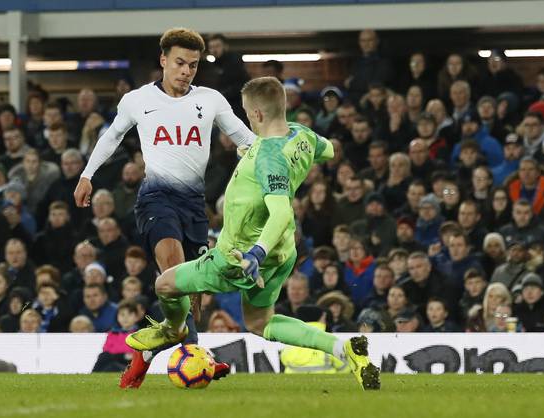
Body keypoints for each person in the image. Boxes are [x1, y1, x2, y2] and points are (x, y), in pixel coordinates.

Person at [124, 76, 380, 390]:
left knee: (165, 285)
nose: (246, 118)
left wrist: (254, 253)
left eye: (247, 113)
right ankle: (345, 349)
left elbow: (282, 209)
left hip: (240, 255)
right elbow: (327, 150)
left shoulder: (269, 159)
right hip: (283, 250)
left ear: (257, 115)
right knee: (261, 322)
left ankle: (174, 329)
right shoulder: (302, 135)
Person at [75, 29, 257, 389]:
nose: (186, 71)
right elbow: (111, 137)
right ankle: (196, 362)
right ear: (163, 60)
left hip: (194, 207)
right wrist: (86, 175)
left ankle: (148, 355)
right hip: (156, 200)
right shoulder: (137, 100)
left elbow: (245, 139)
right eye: (179, 63)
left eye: (192, 65)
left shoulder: (211, 100)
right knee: (174, 271)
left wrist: (276, 156)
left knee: (194, 297)